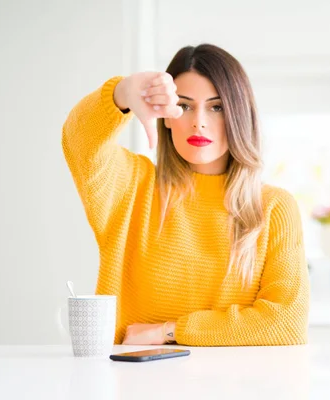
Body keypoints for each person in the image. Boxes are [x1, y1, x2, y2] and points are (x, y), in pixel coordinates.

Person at [62, 44, 309, 346]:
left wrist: (170, 331)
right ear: (165, 116)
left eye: (216, 107)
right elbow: (79, 140)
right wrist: (124, 93)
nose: (199, 122)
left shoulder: (274, 208)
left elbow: (286, 323)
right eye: (185, 105)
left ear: (239, 115)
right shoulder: (132, 186)